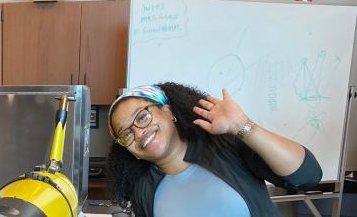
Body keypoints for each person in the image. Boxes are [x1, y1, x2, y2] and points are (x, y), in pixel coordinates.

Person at [106, 82, 322, 217]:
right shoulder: (143, 191)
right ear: (130, 150)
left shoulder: (224, 146)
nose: (138, 132)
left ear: (168, 110)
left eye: (142, 117)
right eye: (126, 134)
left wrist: (243, 126)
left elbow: (307, 176)